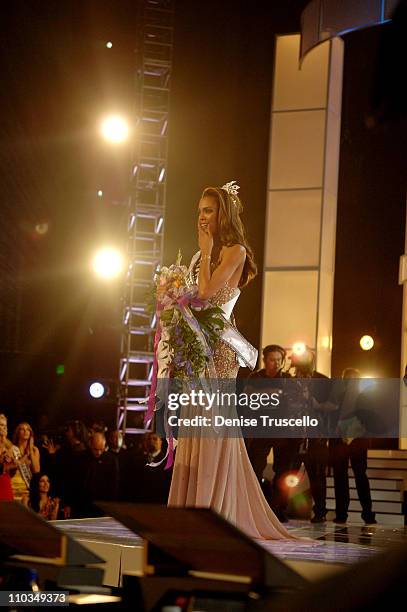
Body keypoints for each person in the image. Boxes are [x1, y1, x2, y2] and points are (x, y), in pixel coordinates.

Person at [165, 182, 296, 540]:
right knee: (195, 426)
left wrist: (206, 252)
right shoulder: (200, 254)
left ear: (224, 214)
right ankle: (192, 512)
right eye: (200, 211)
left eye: (209, 210)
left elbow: (207, 296)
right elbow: (191, 298)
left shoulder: (235, 250)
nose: (202, 217)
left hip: (221, 352)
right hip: (197, 347)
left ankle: (214, 513)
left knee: (212, 427)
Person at [247, 345, 301, 522]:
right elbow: (247, 400)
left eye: (279, 360)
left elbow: (294, 404)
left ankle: (278, 510)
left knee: (283, 472)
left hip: (282, 431)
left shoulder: (288, 379)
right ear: (264, 360)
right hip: (260, 430)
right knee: (255, 470)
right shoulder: (255, 378)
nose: (276, 363)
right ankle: (254, 507)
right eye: (272, 359)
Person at [330, 368, 376, 525]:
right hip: (341, 442)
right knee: (343, 477)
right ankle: (345, 514)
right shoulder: (338, 398)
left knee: (358, 476)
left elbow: (368, 420)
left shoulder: (365, 398)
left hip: (357, 441)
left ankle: (365, 514)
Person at [10, 422, 40, 503]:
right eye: (22, 429)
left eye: (28, 430)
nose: (25, 431)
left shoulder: (34, 450)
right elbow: (13, 466)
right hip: (13, 487)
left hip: (27, 489)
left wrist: (30, 449)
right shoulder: (12, 449)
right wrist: (26, 455)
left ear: (30, 433)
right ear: (18, 433)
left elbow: (36, 470)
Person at [0, 414, 14, 501]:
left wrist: (4, 439)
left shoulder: (8, 444)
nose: (3, 428)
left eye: (5, 426)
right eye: (1, 425)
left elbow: (13, 463)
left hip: (5, 481)